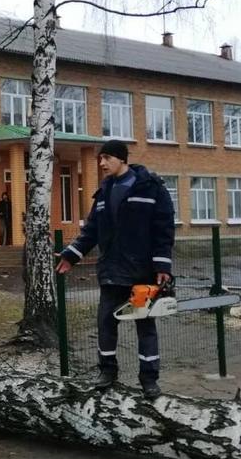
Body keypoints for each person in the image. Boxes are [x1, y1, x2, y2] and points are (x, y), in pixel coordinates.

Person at [54, 140, 174, 399]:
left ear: (121, 159)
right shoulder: (104, 191)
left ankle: (149, 380)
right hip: (110, 272)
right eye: (100, 158)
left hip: (142, 273)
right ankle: (107, 372)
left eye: (106, 158)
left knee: (145, 326)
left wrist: (162, 265)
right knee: (106, 324)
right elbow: (91, 231)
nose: (101, 163)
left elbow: (164, 229)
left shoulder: (150, 188)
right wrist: (70, 256)